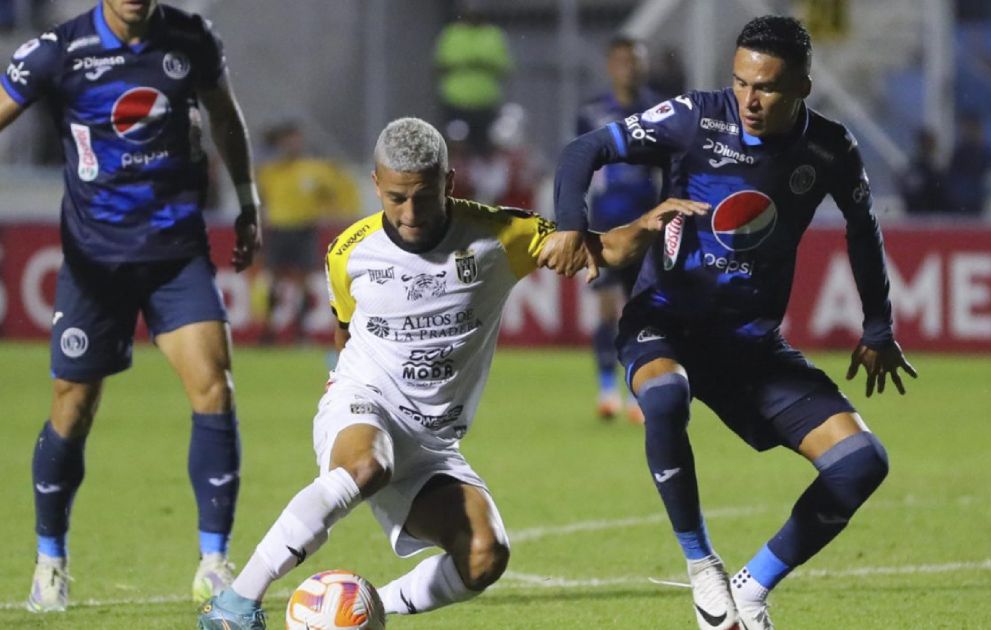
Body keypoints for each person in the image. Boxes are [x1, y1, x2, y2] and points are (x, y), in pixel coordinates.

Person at [197, 117, 706, 629]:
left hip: (433, 442)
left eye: (423, 196)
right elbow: (344, 332)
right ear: (376, 184)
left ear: (449, 182)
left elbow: (602, 249)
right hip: (365, 402)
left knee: (485, 555)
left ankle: (365, 610)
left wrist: (646, 226)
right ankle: (235, 605)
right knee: (366, 465)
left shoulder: (500, 235)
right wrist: (344, 401)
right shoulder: (349, 251)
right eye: (395, 198)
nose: (409, 213)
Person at [540, 16, 917, 630]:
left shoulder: (829, 148)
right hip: (665, 319)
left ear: (803, 87)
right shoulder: (695, 116)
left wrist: (878, 326)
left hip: (749, 346)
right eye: (740, 82)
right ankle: (702, 566)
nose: (749, 99)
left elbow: (862, 227)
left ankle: (751, 587)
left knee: (862, 462)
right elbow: (586, 149)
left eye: (766, 87)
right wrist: (569, 225)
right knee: (665, 395)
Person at [0, 0, 260, 612]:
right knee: (73, 407)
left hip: (176, 254)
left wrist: (248, 200)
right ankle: (50, 563)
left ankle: (214, 563)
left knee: (214, 387)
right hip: (94, 263)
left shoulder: (190, 38)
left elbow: (225, 116)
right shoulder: (58, 52)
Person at [576, 35, 661, 422]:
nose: (630, 68)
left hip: (647, 227)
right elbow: (579, 167)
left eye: (636, 61)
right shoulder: (591, 112)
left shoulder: (659, 112)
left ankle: (637, 392)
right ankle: (607, 390)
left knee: (642, 314)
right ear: (611, 66)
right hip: (604, 226)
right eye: (623, 61)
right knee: (608, 310)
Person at [256, 121, 360, 343]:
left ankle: (300, 332)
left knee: (303, 281)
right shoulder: (270, 171)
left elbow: (331, 195)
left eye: (295, 140)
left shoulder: (314, 169)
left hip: (304, 229)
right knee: (274, 281)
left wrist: (337, 214)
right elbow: (262, 201)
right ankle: (269, 330)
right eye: (287, 141)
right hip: (278, 229)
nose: (292, 145)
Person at [434, 0, 512, 153]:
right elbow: (441, 64)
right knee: (456, 145)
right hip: (456, 100)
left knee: (484, 147)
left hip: (485, 101)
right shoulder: (452, 34)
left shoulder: (493, 35)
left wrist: (477, 64)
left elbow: (504, 66)